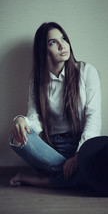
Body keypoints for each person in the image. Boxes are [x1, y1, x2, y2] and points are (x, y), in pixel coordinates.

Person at [9, 22, 101, 189]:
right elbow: (35, 120)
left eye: (63, 38)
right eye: (52, 42)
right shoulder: (37, 82)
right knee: (15, 135)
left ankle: (40, 180)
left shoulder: (87, 72)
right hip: (50, 150)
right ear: (42, 50)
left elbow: (93, 117)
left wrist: (80, 154)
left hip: (80, 145)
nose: (62, 45)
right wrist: (22, 120)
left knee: (96, 165)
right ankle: (73, 174)